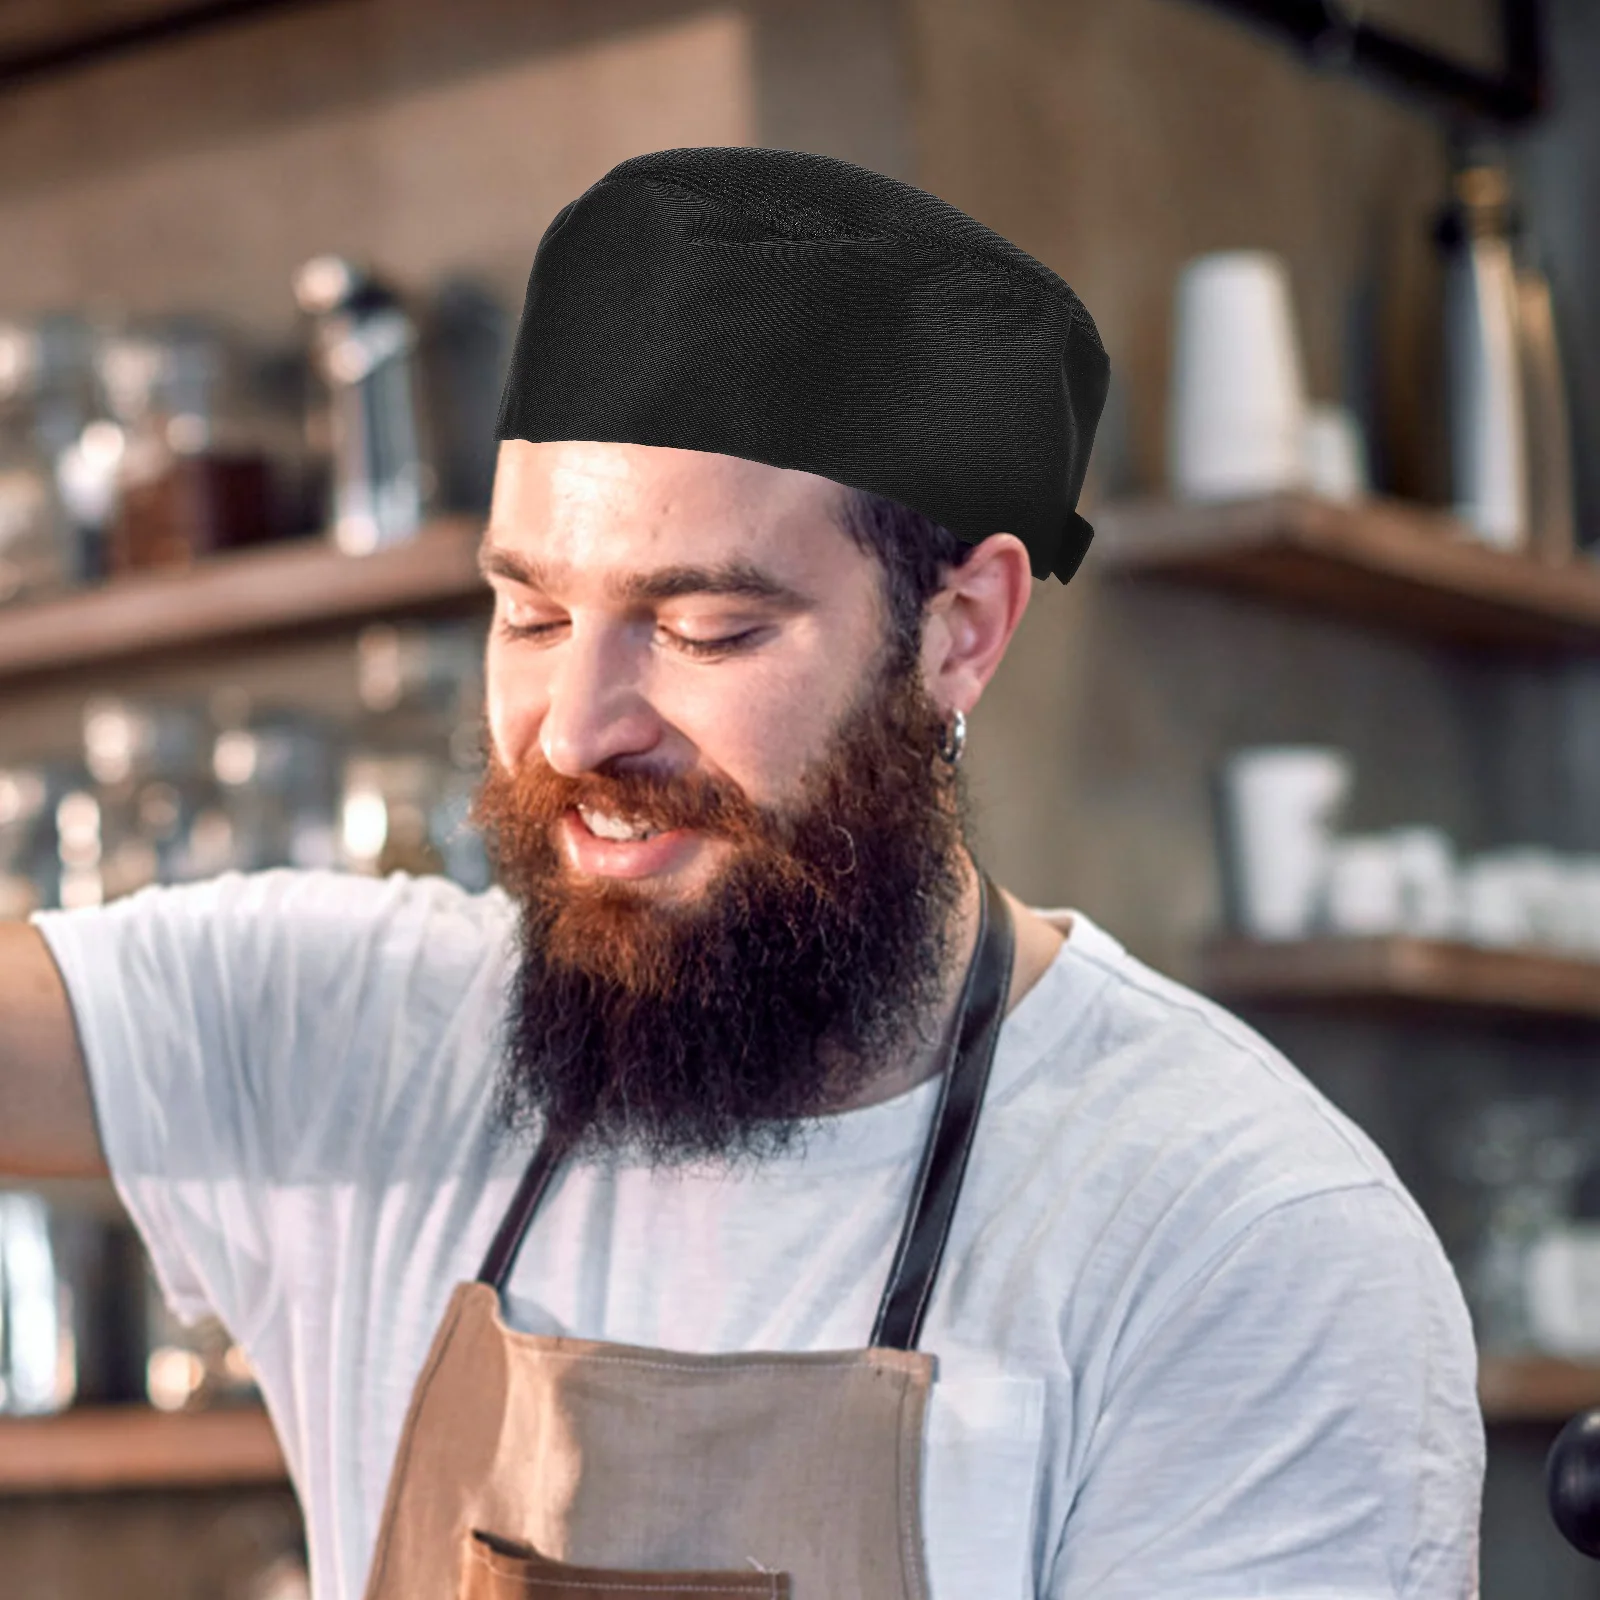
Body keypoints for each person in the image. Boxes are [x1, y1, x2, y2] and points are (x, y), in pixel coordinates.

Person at [0, 148, 1482, 1599]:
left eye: (703, 628)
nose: (576, 728)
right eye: (528, 615)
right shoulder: (362, 1039)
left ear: (960, 629)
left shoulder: (1238, 1239)